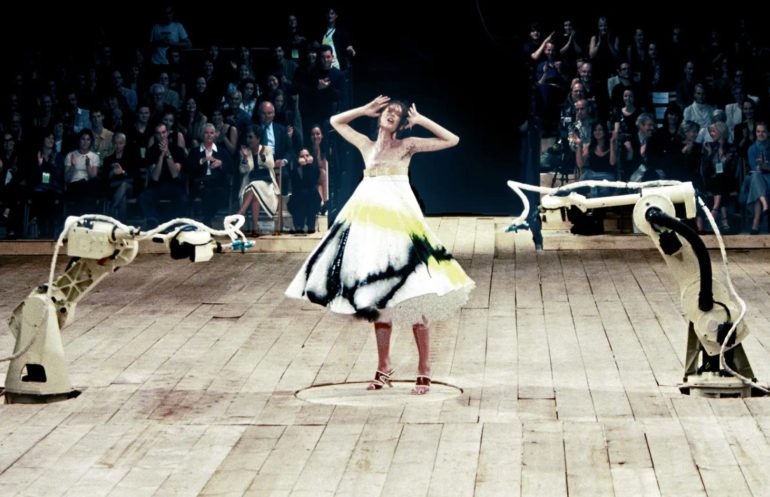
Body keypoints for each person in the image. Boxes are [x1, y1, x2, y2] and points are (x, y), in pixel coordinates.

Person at [285, 95, 475, 395]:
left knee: (415, 293)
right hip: (373, 228)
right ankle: (384, 366)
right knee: (380, 299)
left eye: (397, 113)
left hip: (401, 226)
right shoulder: (366, 145)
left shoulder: (407, 145)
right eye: (388, 110)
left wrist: (421, 120)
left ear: (401, 123)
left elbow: (452, 140)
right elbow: (335, 122)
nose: (391, 114)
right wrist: (364, 110)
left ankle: (424, 368)